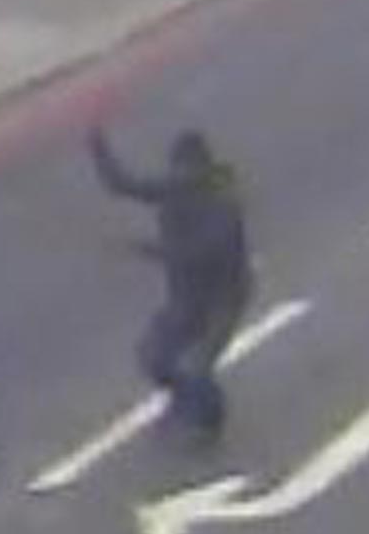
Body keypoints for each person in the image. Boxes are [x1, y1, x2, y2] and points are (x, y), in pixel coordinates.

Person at [89, 124, 252, 443]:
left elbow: (201, 253)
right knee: (153, 356)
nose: (179, 178)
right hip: (188, 297)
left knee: (196, 364)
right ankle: (184, 400)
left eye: (186, 171)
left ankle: (208, 421)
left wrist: (150, 250)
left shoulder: (223, 203)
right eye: (177, 170)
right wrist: (97, 144)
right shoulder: (175, 188)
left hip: (224, 298)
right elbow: (123, 185)